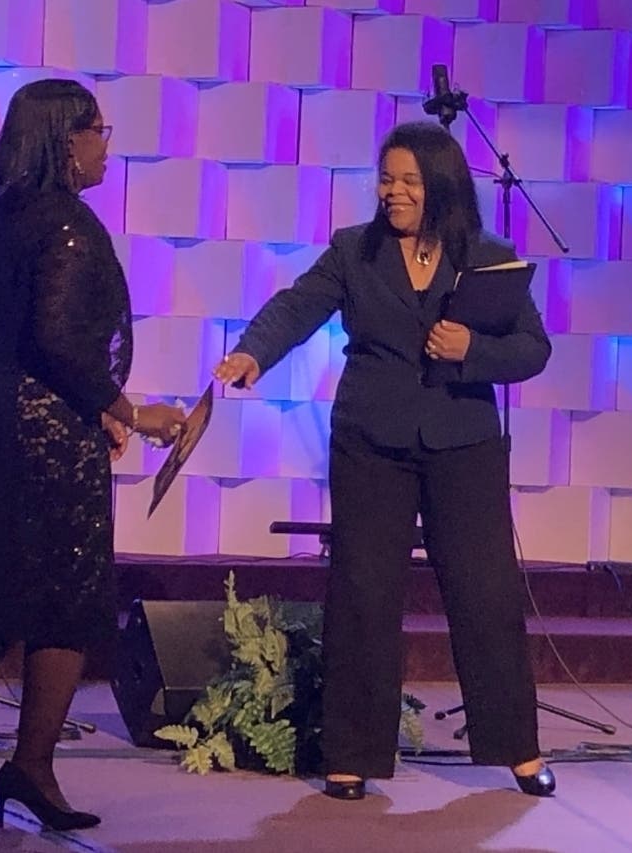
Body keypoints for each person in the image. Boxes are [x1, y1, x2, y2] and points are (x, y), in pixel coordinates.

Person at [0, 79, 186, 830]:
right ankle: (30, 762)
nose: (107, 145)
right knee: (69, 596)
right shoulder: (67, 224)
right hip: (38, 425)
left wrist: (94, 405)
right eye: (100, 131)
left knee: (4, 585)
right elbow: (54, 341)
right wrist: (125, 409)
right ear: (68, 138)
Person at [213, 121, 555, 800]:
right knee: (363, 595)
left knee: (484, 595)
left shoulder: (487, 255)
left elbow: (531, 348)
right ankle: (351, 754)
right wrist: (253, 350)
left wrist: (472, 352)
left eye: (407, 181)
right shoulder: (353, 251)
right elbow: (295, 307)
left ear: (440, 186)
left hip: (464, 442)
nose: (392, 191)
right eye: (385, 178)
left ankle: (516, 747)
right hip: (371, 440)